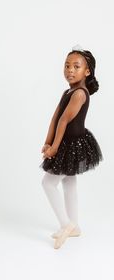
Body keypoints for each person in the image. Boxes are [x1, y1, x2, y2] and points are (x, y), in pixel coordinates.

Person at [41, 45, 102, 249]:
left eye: (76, 66)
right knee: (68, 181)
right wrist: (47, 141)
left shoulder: (79, 94)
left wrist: (55, 148)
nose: (70, 70)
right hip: (65, 142)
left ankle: (66, 224)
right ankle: (74, 225)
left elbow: (64, 121)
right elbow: (54, 118)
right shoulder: (68, 91)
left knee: (48, 184)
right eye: (67, 65)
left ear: (87, 71)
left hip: (71, 144)